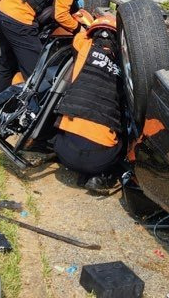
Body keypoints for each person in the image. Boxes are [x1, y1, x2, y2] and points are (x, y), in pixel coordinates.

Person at [53, 13, 125, 192]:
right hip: (98, 161)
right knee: (125, 138)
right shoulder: (125, 64)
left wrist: (88, 20)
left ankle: (86, 169)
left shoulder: (83, 47)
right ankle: (100, 176)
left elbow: (80, 34)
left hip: (63, 152)